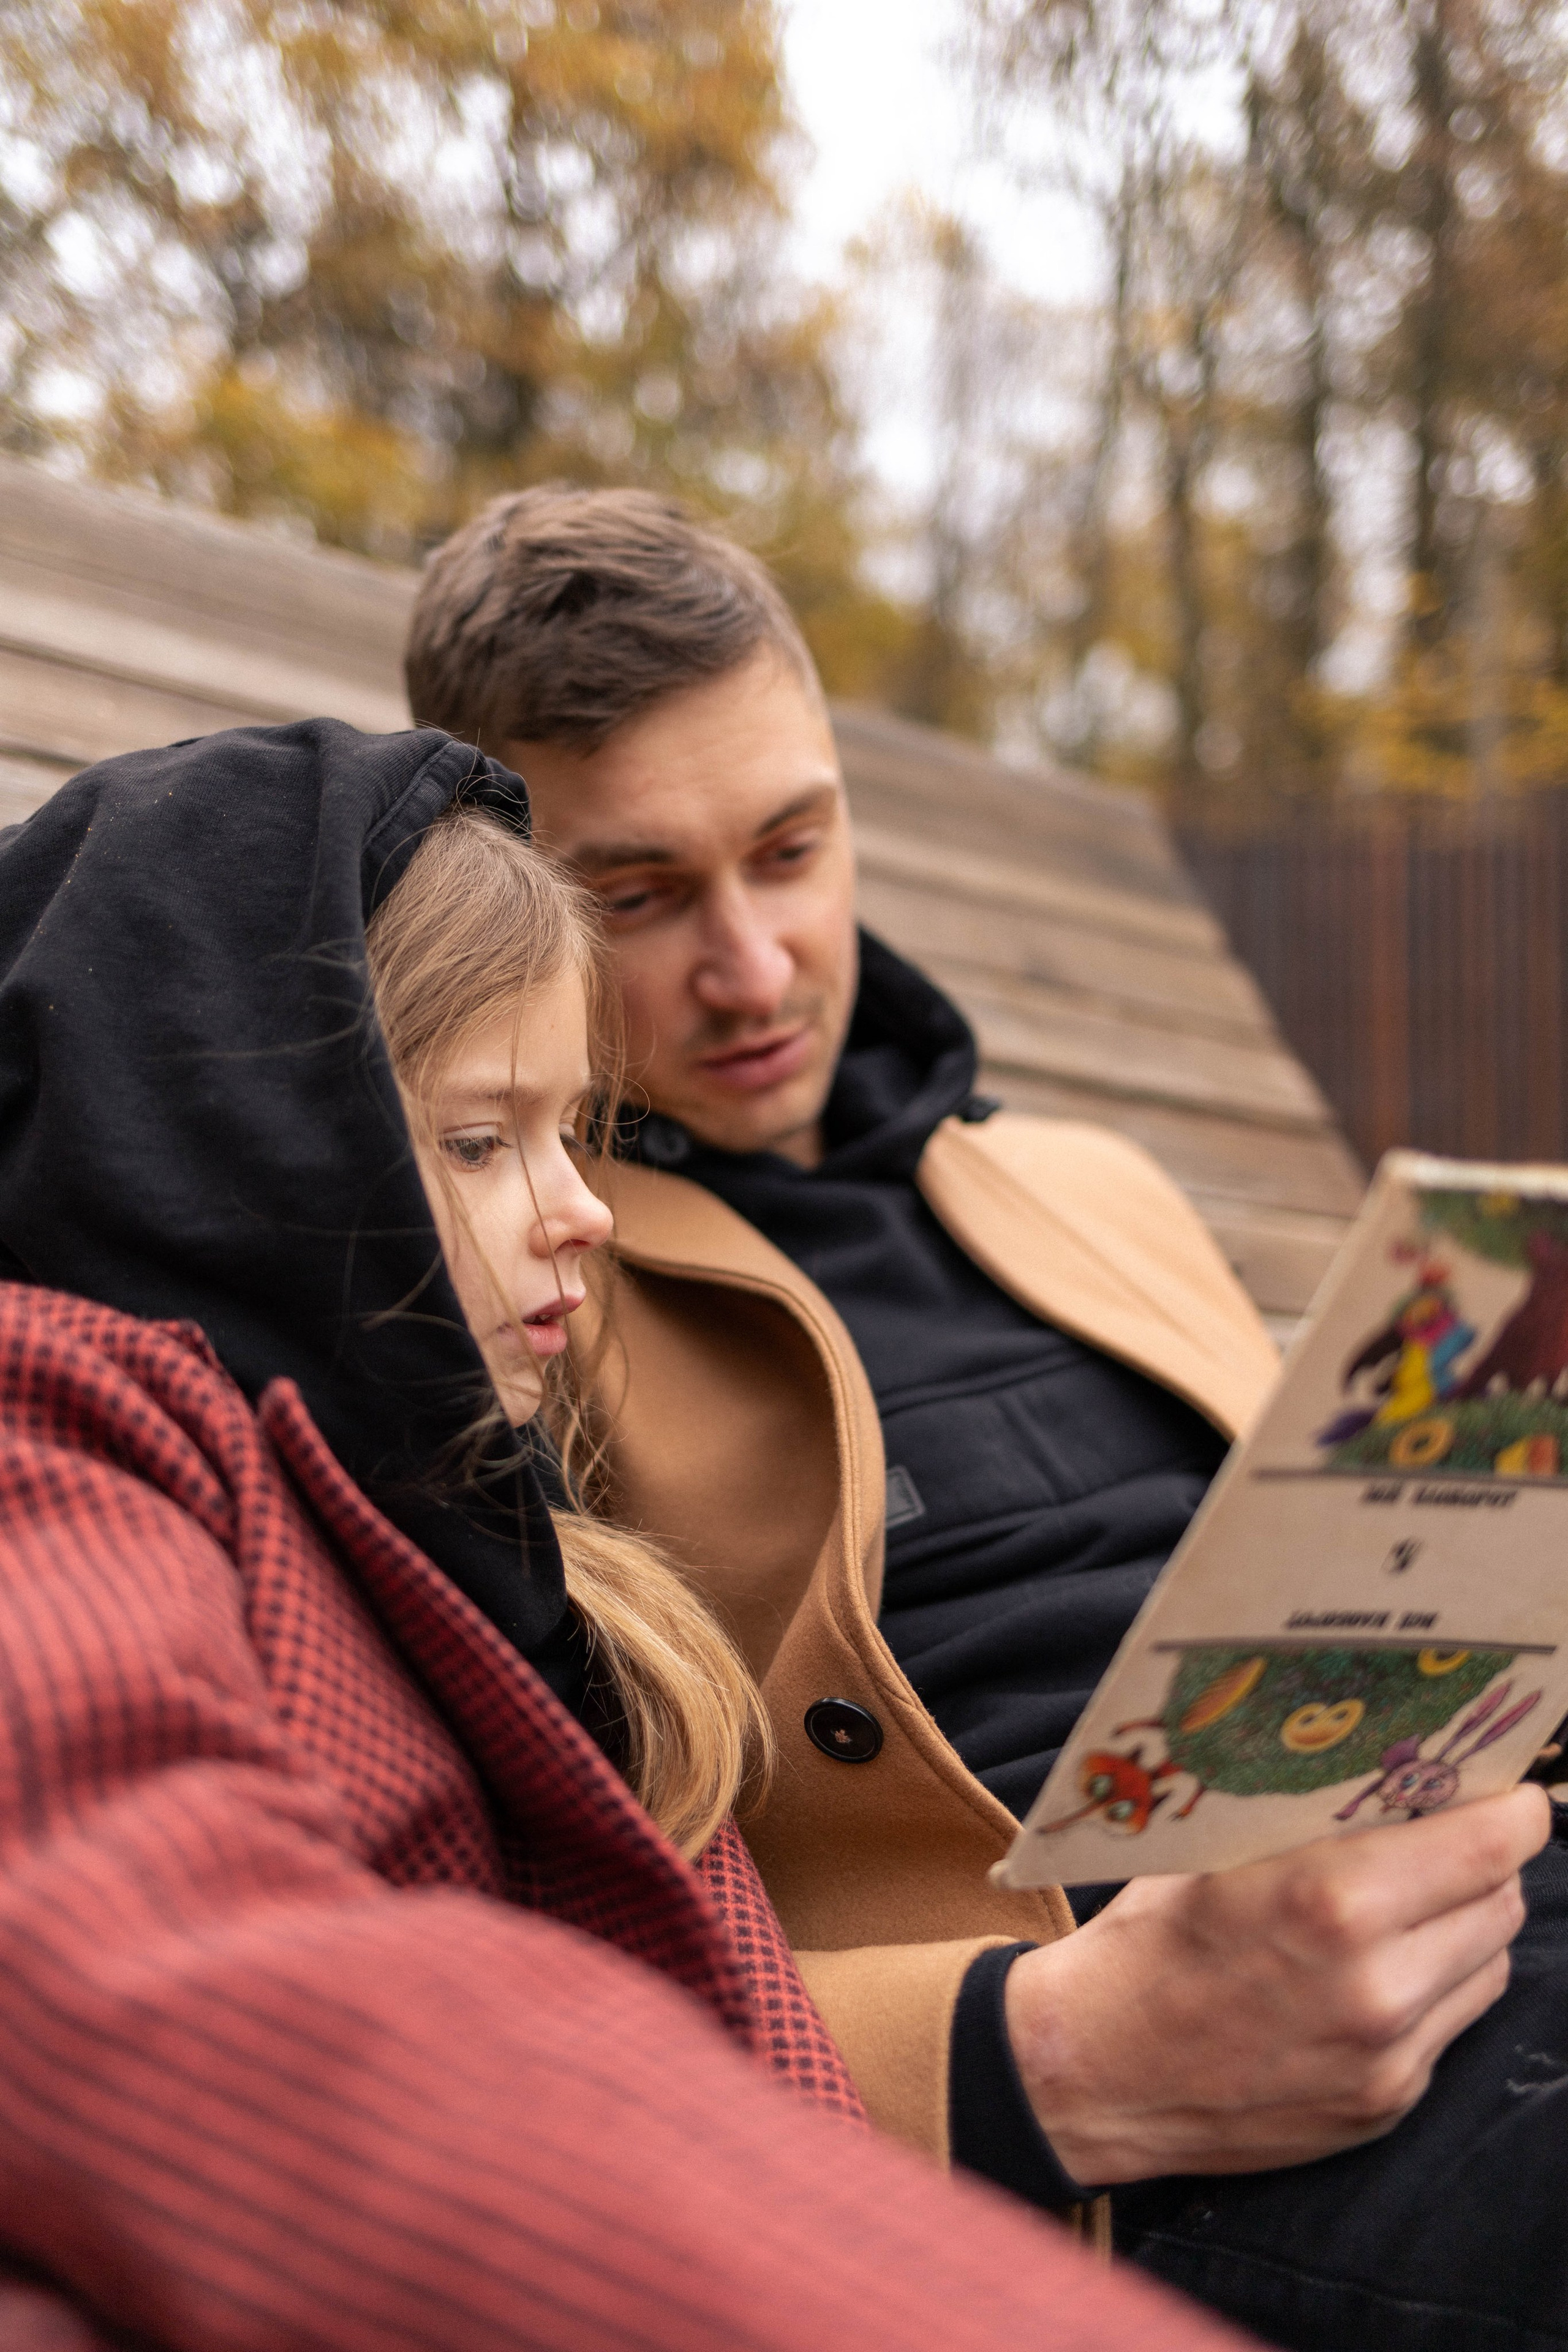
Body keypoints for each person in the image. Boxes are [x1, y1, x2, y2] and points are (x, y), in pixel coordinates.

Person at [405, 486, 1568, 2352]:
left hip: (1461, 1888)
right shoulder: (511, 1279)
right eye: (637, 900)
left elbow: (1376, 1611)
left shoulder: (1088, 1181)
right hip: (1183, 2112)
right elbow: (475, 1940)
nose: (754, 967)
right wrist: (1018, 2064)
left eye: (792, 850)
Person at [0, 718, 1245, 2351]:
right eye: (475, 1139)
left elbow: (725, 2039)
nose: (586, 1205)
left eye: (572, 1130)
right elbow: (172, 1975)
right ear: (249, 1153)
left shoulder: (522, 1557)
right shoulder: (66, 1425)